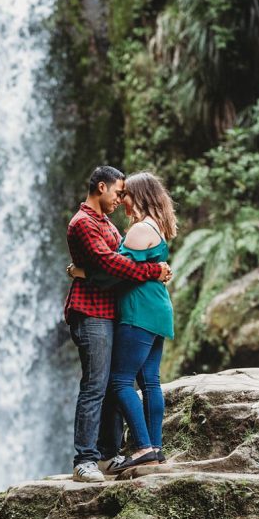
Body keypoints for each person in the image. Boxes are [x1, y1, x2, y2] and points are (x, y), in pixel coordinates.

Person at [65, 166, 173, 482]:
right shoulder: (84, 223)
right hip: (92, 313)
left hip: (116, 312)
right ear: (102, 187)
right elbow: (114, 265)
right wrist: (155, 271)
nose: (120, 198)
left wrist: (83, 271)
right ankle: (86, 458)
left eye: (125, 193)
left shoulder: (109, 224)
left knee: (116, 384)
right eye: (117, 191)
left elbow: (120, 266)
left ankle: (111, 454)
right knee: (98, 385)